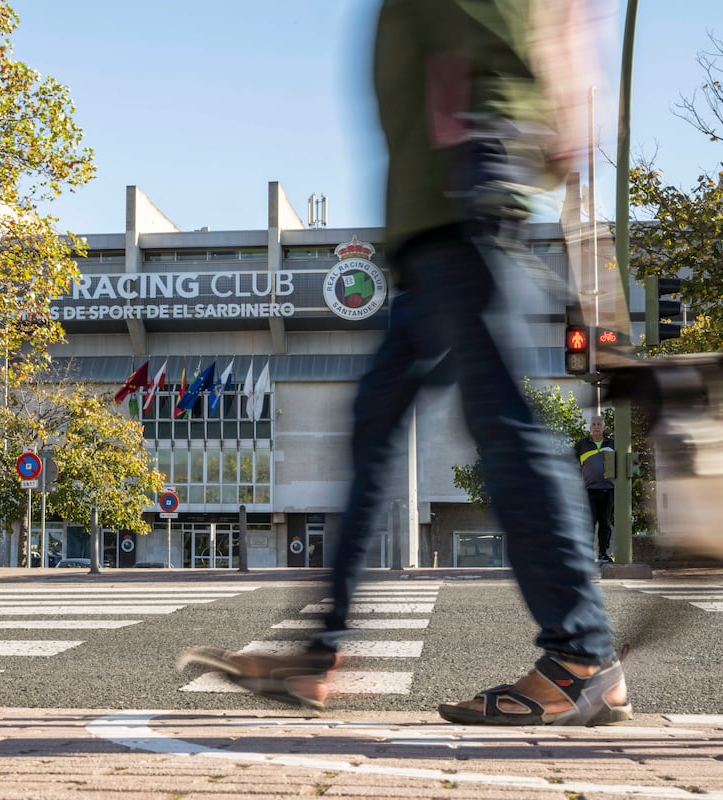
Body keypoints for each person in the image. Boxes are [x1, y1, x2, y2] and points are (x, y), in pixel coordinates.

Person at [178, 0, 631, 726]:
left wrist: (494, 139)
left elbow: (525, 41)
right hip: (429, 222)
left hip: (465, 195)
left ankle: (581, 656)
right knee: (376, 428)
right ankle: (317, 656)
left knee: (505, 422)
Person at [575, 415, 616, 564]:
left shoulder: (613, 443)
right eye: (593, 424)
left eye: (599, 424)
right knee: (588, 524)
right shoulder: (581, 445)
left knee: (604, 523)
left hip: (608, 490)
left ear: (604, 428)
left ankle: (603, 554)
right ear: (590, 428)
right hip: (589, 490)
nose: (596, 426)